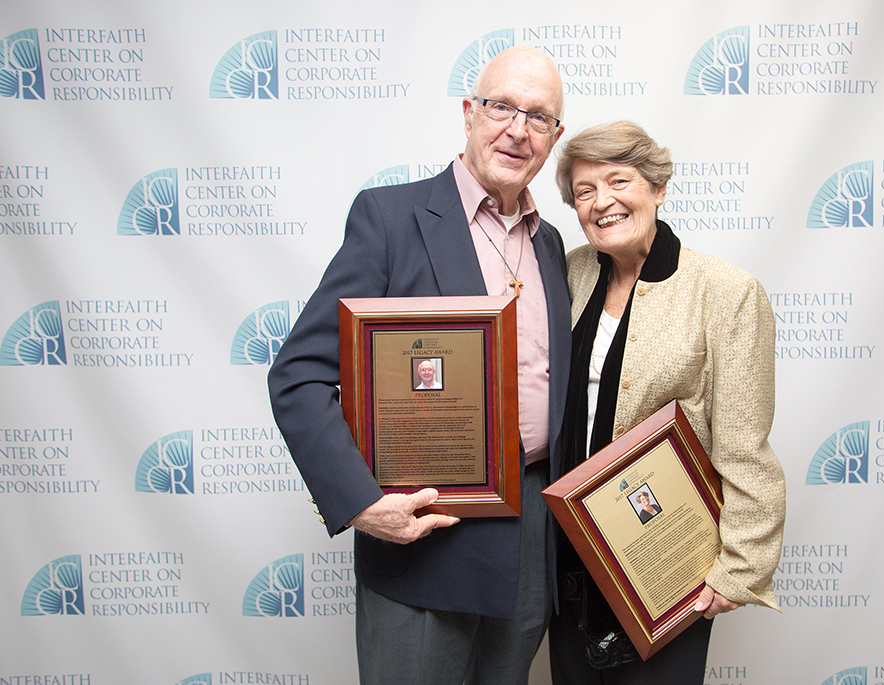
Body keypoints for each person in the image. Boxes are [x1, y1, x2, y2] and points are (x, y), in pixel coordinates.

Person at [267, 46, 571, 685]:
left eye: (538, 117)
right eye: (501, 107)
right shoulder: (390, 217)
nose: (517, 129)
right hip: (428, 536)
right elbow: (299, 374)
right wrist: (359, 502)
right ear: (469, 113)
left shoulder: (551, 244)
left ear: (555, 137)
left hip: (534, 535)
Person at [548, 121, 785, 684]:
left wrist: (739, 569)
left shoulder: (727, 293)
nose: (602, 202)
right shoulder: (568, 271)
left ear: (657, 187)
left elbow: (744, 442)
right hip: (568, 559)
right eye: (584, 191)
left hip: (666, 566)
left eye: (619, 181)